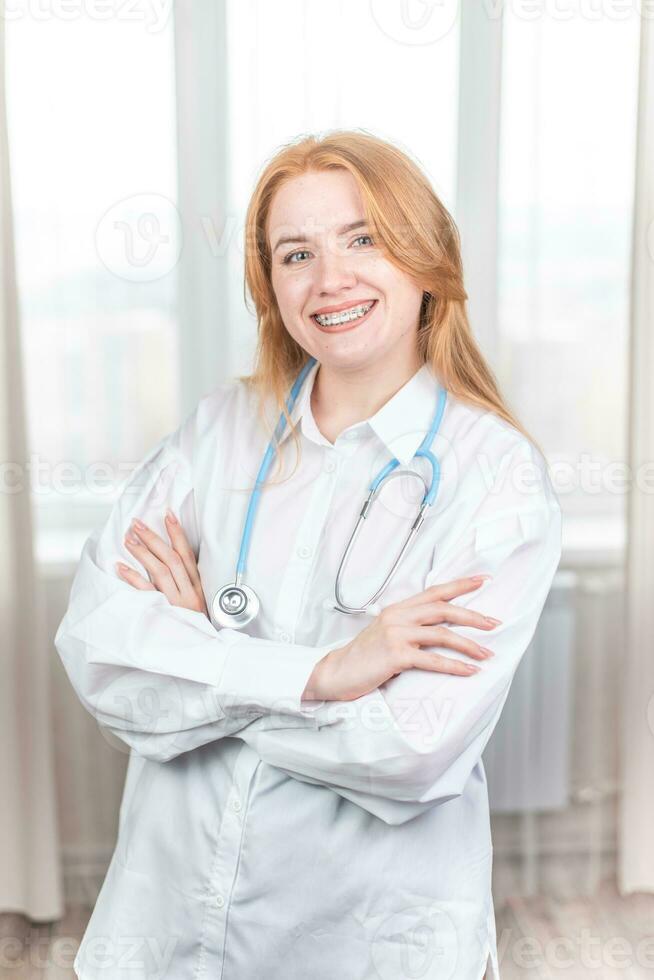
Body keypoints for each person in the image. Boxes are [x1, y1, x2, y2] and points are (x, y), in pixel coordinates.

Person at [55, 130, 562, 980]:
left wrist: (200, 666)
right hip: (167, 924)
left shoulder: (497, 477)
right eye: (297, 254)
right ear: (272, 290)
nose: (331, 279)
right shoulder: (220, 432)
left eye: (363, 239)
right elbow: (100, 652)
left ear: (425, 258)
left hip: (359, 938)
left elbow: (413, 749)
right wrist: (327, 673)